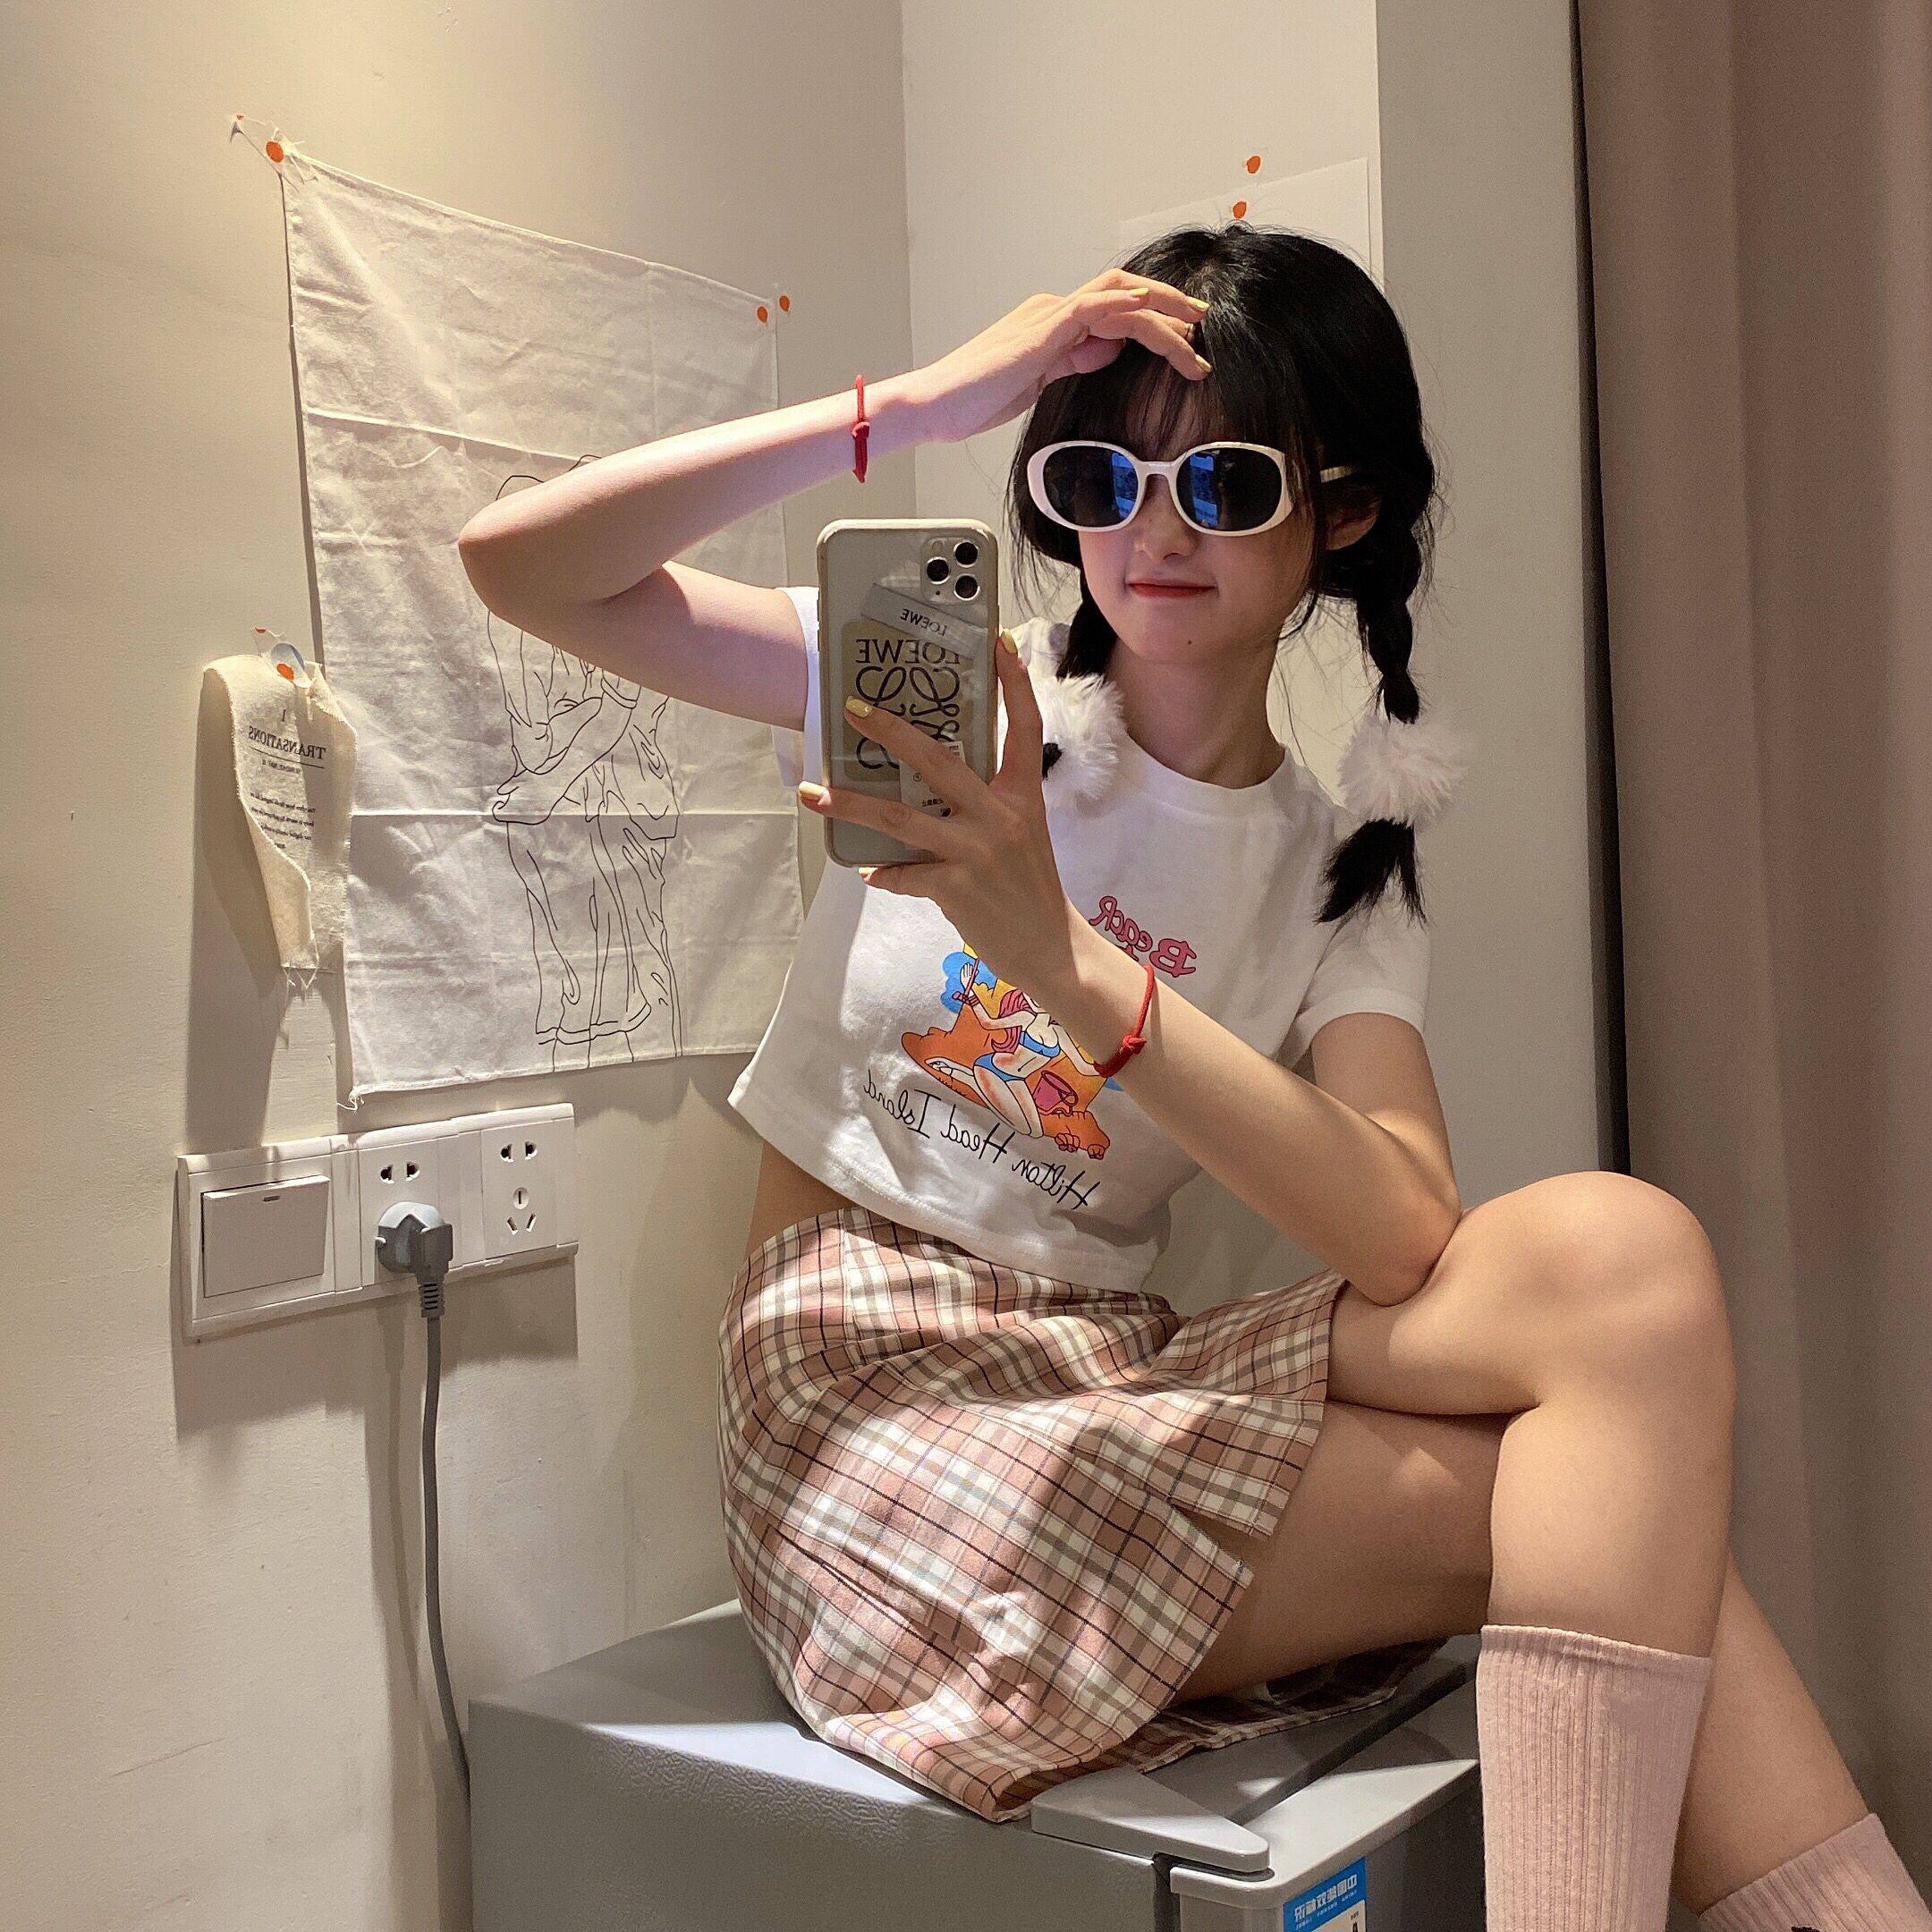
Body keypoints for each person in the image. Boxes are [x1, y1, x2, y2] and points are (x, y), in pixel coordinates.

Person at [456, 226, 1929, 1932]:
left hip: (1099, 1369)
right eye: (1103, 476)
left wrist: (1068, 963)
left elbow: (1405, 1230)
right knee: (1622, 1505)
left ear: (1340, 514)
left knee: (1630, 1263)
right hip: (865, 1424)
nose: (1152, 533)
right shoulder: (948, 687)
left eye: (1224, 485)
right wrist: (916, 404)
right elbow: (522, 566)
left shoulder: (1335, 861)